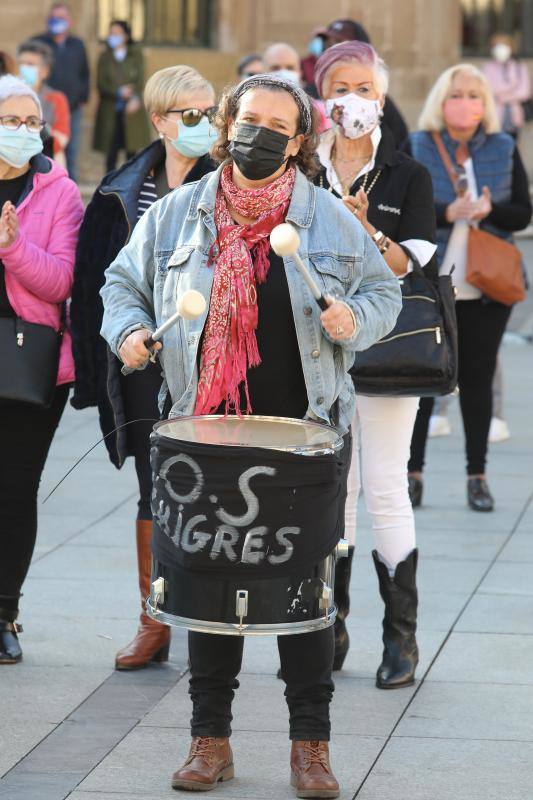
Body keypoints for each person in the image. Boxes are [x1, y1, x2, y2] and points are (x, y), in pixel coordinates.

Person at [100, 74, 401, 798]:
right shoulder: (176, 214)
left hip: (303, 437)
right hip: (205, 432)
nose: (255, 134)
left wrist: (352, 320)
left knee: (302, 595)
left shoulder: (328, 219)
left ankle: (310, 748)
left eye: (275, 125)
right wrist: (132, 333)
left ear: (298, 142)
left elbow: (384, 293)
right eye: (246, 120)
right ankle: (210, 742)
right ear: (230, 125)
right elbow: (120, 285)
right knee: (208, 587)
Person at [70, 66, 217, 672]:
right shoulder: (121, 189)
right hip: (143, 365)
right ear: (159, 121)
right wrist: (108, 353)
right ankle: (153, 619)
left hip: (215, 364)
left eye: (210, 113)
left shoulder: (233, 182)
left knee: (215, 491)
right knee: (153, 488)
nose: (204, 125)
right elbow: (95, 284)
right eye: (190, 115)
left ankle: (210, 624)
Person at [314, 41, 437, 688]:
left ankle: (400, 639)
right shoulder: (302, 168)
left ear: (380, 98)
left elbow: (407, 264)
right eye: (339, 86)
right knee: (334, 488)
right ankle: (330, 623)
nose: (351, 99)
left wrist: (367, 231)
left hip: (388, 351)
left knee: (384, 483)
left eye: (363, 86)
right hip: (315, 352)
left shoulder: (406, 174)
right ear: (321, 96)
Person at [407, 64, 532, 512]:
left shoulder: (502, 145)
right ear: (441, 101)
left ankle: (476, 476)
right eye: (458, 94)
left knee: (477, 378)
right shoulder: (419, 144)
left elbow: (522, 211)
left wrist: (488, 209)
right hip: (432, 279)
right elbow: (405, 210)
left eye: (475, 96)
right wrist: (448, 211)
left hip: (487, 282)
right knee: (422, 377)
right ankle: (412, 474)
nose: (466, 103)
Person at [0, 75, 83, 664]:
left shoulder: (59, 191)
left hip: (29, 359)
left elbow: (60, 280)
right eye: (11, 119)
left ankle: (4, 612)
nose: (23, 131)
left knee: (13, 488)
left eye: (31, 122)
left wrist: (11, 248)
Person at [309, 18, 409, 148]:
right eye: (329, 43)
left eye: (363, 89)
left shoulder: (380, 104)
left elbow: (400, 147)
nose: (332, 48)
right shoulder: (309, 94)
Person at [34, 2, 89, 181]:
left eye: (62, 18)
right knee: (46, 150)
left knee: (70, 152)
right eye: (54, 17)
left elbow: (85, 73)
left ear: (69, 22)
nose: (58, 21)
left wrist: (83, 96)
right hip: (46, 108)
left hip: (73, 108)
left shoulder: (77, 44)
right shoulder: (39, 43)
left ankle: (69, 188)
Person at [93, 20, 150, 173]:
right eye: (111, 33)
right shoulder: (104, 57)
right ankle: (108, 185)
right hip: (110, 110)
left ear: (125, 36)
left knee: (131, 150)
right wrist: (119, 91)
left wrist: (135, 97)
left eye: (117, 33)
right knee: (111, 150)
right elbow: (101, 84)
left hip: (132, 110)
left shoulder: (135, 55)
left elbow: (140, 81)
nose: (113, 36)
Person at [17, 39, 70, 168]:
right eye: (21, 63)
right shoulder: (7, 97)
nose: (24, 68)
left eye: (30, 64)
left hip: (48, 165)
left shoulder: (57, 99)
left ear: (45, 71)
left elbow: (60, 140)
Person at [483, 34, 531, 138]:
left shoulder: (519, 68)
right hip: (494, 115)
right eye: (497, 45)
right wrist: (511, 87)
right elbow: (487, 89)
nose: (500, 49)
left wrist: (502, 97)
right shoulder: (488, 68)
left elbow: (524, 92)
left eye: (504, 45)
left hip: (514, 115)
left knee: (512, 145)